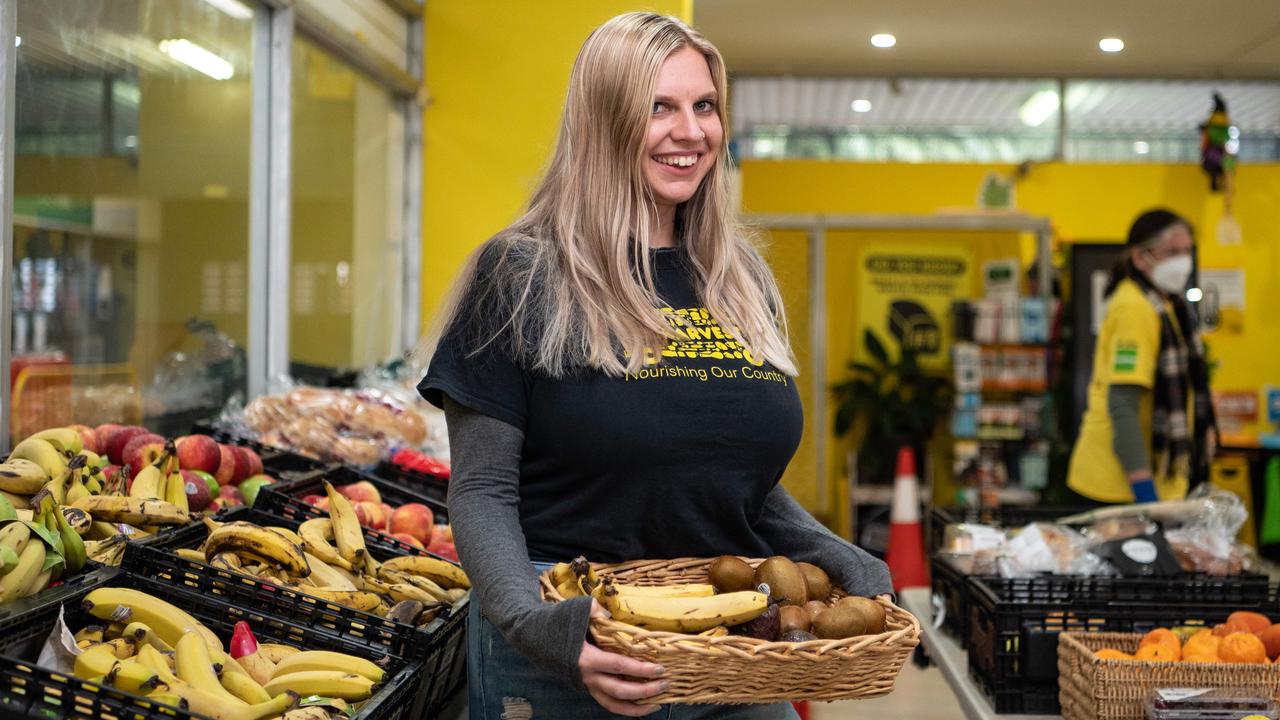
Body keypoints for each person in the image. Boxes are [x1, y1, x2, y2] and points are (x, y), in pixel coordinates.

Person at [416, 12, 892, 719]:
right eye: (658, 108)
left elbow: (738, 486)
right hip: (574, 644)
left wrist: (831, 550)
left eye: (705, 106)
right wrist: (535, 628)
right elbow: (483, 489)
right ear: (605, 121)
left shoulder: (739, 279)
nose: (691, 131)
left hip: (730, 640)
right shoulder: (524, 273)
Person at [1067, 209, 1218, 505]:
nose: (1183, 261)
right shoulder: (1135, 308)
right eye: (1172, 252)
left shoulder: (1168, 306)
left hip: (1152, 480)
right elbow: (1123, 406)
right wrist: (1146, 496)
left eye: (1187, 251)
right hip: (1118, 488)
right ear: (1139, 258)